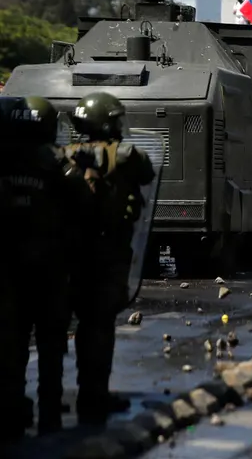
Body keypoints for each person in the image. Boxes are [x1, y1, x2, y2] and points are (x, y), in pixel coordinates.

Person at [0, 97, 90, 440]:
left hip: (9, 270)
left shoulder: (4, 161)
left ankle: (11, 408)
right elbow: (85, 210)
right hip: (51, 270)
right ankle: (50, 411)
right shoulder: (58, 167)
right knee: (51, 345)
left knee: (12, 343)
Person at [65, 92, 156, 425]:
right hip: (108, 253)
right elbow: (145, 172)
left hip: (70, 255)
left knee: (60, 327)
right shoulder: (127, 155)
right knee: (99, 327)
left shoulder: (64, 155)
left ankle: (54, 395)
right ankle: (94, 397)